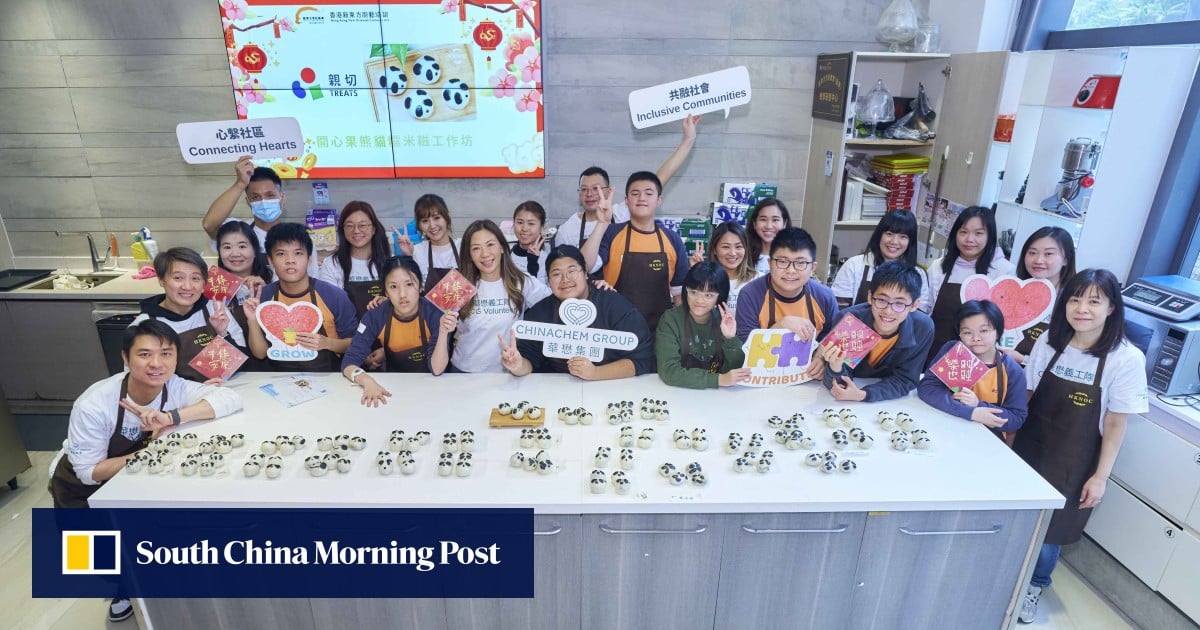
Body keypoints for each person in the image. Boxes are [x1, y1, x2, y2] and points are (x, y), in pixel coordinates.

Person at [50, 319, 242, 621]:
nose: (156, 363)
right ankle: (118, 589)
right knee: (91, 554)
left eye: (166, 354)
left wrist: (171, 417)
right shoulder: (94, 403)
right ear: (125, 358)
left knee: (143, 540)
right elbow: (88, 471)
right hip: (79, 485)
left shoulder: (174, 387)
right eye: (144, 354)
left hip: (135, 472)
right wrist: (150, 453)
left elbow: (229, 398)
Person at [1012, 268, 1148, 624]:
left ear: (1112, 308)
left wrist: (1100, 477)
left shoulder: (1125, 359)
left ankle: (1035, 586)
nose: (1082, 308)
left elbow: (1117, 423)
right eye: (1075, 298)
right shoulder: (1050, 341)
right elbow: (1027, 394)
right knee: (1016, 518)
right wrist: (1008, 440)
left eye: (1094, 301)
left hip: (1075, 459)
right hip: (1029, 444)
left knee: (1051, 531)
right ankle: (1006, 578)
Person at [502, 245, 655, 380]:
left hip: (611, 388)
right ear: (548, 280)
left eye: (572, 271)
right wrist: (518, 365)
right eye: (556, 274)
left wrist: (596, 373)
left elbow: (641, 359)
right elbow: (529, 359)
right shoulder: (540, 313)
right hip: (558, 392)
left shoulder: (614, 306)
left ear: (585, 273)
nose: (565, 279)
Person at [554, 114, 700, 249]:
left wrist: (688, 139)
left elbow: (660, 178)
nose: (589, 194)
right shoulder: (567, 229)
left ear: (609, 191)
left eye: (596, 188)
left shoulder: (621, 213)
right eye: (584, 189)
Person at [433, 220, 550, 374]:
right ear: (469, 254)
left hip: (508, 374)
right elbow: (437, 336)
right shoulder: (456, 283)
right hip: (463, 373)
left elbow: (556, 304)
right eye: (476, 248)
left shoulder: (521, 281)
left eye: (490, 245)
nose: (485, 254)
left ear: (502, 246)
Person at [241, 223, 358, 372]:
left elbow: (355, 344)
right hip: (279, 380)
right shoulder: (262, 296)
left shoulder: (333, 295)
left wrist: (326, 343)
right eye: (281, 254)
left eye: (298, 253)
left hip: (329, 380)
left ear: (309, 259)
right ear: (270, 260)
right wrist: (252, 320)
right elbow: (260, 354)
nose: (290, 260)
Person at [582, 171, 689, 332]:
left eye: (648, 193)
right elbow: (585, 266)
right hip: (615, 329)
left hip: (660, 332)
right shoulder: (611, 233)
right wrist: (602, 223)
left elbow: (679, 295)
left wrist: (682, 333)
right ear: (626, 200)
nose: (641, 198)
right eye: (635, 193)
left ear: (659, 200)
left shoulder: (672, 240)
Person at [812, 261, 933, 402]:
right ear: (870, 297)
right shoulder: (851, 320)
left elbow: (905, 379)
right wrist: (835, 366)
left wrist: (865, 395)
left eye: (899, 303)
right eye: (882, 300)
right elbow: (836, 386)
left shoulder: (922, 327)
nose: (888, 311)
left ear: (914, 305)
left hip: (887, 401)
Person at [918, 300, 1028, 439]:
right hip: (944, 427)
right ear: (959, 333)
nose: (976, 338)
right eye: (967, 332)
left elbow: (1016, 418)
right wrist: (970, 412)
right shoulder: (953, 351)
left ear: (998, 332)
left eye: (984, 330)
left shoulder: (1012, 370)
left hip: (983, 439)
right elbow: (927, 388)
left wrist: (978, 404)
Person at [133, 248, 245, 383]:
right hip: (177, 401)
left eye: (195, 278)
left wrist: (222, 334)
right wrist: (195, 391)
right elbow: (140, 381)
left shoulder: (213, 308)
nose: (187, 286)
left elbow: (240, 362)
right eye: (178, 278)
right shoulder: (145, 324)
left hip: (222, 389)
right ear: (162, 280)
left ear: (204, 283)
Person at [341, 256, 442, 405]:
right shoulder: (375, 316)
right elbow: (348, 363)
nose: (402, 294)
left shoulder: (434, 313)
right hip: (392, 389)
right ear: (386, 292)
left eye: (409, 284)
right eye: (393, 287)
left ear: (420, 286)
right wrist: (367, 382)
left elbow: (438, 368)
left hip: (435, 388)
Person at [925, 206, 1013, 365]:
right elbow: (928, 308)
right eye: (963, 232)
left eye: (978, 233)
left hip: (979, 356)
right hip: (937, 350)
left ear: (990, 236)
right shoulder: (939, 266)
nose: (969, 239)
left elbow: (1005, 322)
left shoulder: (1003, 270)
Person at [201, 157, 318, 276]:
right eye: (256, 197)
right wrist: (240, 184)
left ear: (282, 199)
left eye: (270, 195)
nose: (263, 201)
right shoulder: (238, 231)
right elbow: (209, 224)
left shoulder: (299, 236)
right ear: (248, 202)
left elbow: (313, 280)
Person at [655, 261, 751, 389]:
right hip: (677, 392)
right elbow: (669, 371)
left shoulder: (724, 321)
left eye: (708, 295)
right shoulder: (670, 319)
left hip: (717, 397)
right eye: (693, 292)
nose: (699, 300)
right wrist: (718, 379)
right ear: (686, 290)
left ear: (720, 297)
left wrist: (730, 339)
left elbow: (735, 372)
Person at [735, 227, 838, 343]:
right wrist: (780, 326)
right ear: (770, 263)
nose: (791, 270)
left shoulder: (825, 297)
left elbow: (832, 339)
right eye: (783, 262)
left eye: (800, 263)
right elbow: (745, 347)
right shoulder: (750, 295)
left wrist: (820, 357)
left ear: (812, 268)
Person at [831, 210, 930, 308]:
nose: (894, 242)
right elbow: (840, 311)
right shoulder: (854, 265)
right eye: (889, 234)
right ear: (879, 235)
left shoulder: (919, 274)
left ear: (910, 242)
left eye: (903, 237)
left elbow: (919, 317)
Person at [1006, 226, 1076, 365]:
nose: (1038, 260)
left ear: (1066, 259)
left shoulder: (1073, 301)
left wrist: (1023, 359)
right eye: (1032, 253)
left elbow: (1070, 357)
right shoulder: (1010, 291)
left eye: (1049, 254)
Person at [216, 221, 272, 371]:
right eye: (227, 247)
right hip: (233, 368)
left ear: (255, 250)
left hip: (274, 366)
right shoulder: (214, 287)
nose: (235, 254)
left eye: (242, 246)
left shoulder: (272, 278)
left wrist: (267, 293)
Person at [319, 200, 389, 319]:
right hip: (347, 334)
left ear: (373, 229)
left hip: (385, 333)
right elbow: (328, 307)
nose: (356, 231)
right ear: (343, 230)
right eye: (349, 226)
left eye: (362, 225)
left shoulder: (388, 263)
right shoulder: (331, 264)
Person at [396, 193, 461, 293]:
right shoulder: (417, 251)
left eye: (437, 218)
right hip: (427, 308)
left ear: (446, 218)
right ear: (419, 226)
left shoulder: (462, 247)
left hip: (461, 309)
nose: (432, 226)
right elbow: (410, 291)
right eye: (425, 221)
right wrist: (409, 257)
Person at [689, 221, 759, 313]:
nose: (733, 253)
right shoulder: (707, 279)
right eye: (726, 247)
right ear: (714, 250)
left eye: (738, 247)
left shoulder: (758, 280)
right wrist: (698, 275)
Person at [745, 197, 793, 275]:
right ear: (754, 223)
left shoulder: (794, 256)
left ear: (784, 223)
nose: (769, 226)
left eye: (775, 220)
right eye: (763, 219)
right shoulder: (743, 255)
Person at [511, 200, 549, 283]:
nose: (524, 228)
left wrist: (533, 262)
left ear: (542, 226)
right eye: (520, 222)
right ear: (513, 224)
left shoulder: (548, 260)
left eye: (531, 224)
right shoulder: (505, 256)